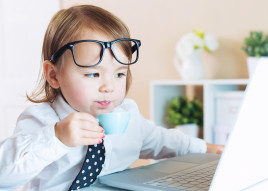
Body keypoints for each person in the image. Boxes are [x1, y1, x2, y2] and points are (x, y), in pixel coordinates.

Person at [0, 5, 223, 191]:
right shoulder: (41, 120)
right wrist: (56, 137)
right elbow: (4, 176)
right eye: (93, 74)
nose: (109, 86)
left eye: (119, 74)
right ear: (53, 75)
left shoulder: (127, 114)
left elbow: (162, 140)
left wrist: (206, 149)